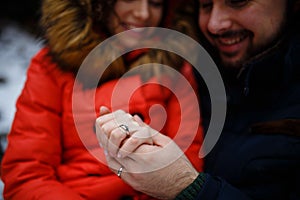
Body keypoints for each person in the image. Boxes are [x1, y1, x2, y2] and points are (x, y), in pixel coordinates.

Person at [96, 0, 300, 199]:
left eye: (237, 2)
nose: (214, 24)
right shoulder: (190, 68)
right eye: (206, 5)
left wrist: (187, 187)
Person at [0, 0, 204, 199]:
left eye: (156, 3)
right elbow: (26, 175)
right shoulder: (51, 67)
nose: (143, 13)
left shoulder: (175, 69)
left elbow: (186, 168)